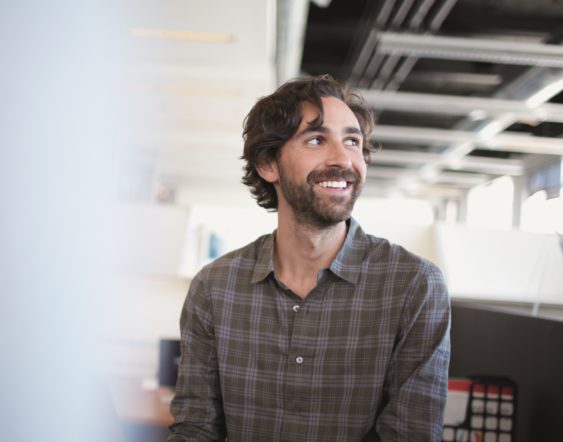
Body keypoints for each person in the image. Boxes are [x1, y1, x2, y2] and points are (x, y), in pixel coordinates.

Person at [168, 75, 450, 441]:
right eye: (317, 140)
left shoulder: (414, 286)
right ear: (268, 164)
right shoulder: (215, 287)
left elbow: (411, 435)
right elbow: (195, 429)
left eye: (352, 141)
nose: (343, 159)